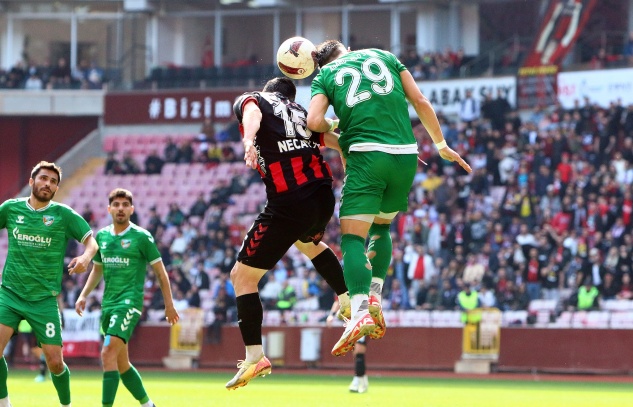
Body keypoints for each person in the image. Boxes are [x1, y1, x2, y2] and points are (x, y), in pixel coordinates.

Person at [306, 40, 472, 356]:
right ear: (348, 48)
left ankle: (358, 313)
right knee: (381, 227)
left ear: (320, 64)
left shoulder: (325, 76)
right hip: (407, 156)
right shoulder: (385, 56)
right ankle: (375, 296)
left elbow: (314, 123)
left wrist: (336, 123)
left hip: (368, 155)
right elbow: (421, 101)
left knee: (353, 238)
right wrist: (440, 144)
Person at [226, 77, 350, 390]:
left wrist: (249, 141)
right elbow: (335, 140)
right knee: (307, 243)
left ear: (269, 91)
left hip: (290, 199)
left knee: (242, 277)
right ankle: (348, 299)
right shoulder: (303, 114)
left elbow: (252, 113)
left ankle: (255, 356)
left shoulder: (256, 99)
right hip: (322, 197)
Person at [0, 161, 99, 407]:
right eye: (43, 178)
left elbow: (92, 243)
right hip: (9, 294)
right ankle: (4, 402)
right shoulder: (11, 209)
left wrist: (86, 258)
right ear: (32, 182)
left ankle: (66, 404)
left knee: (55, 363)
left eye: (53, 182)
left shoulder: (63, 215)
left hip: (44, 300)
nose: (48, 184)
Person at [74, 188, 180, 407]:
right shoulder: (101, 236)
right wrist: (84, 294)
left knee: (107, 352)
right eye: (116, 205)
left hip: (129, 303)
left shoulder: (142, 237)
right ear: (109, 209)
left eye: (124, 205)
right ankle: (148, 404)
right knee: (122, 364)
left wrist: (169, 305)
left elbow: (161, 273)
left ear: (131, 209)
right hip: (108, 304)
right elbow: (97, 270)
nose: (120, 208)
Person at [326, 298, 368, 393]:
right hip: (351, 322)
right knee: (355, 352)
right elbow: (338, 300)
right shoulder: (345, 285)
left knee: (359, 351)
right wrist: (331, 315)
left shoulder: (364, 285)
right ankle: (363, 380)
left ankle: (356, 381)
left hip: (363, 320)